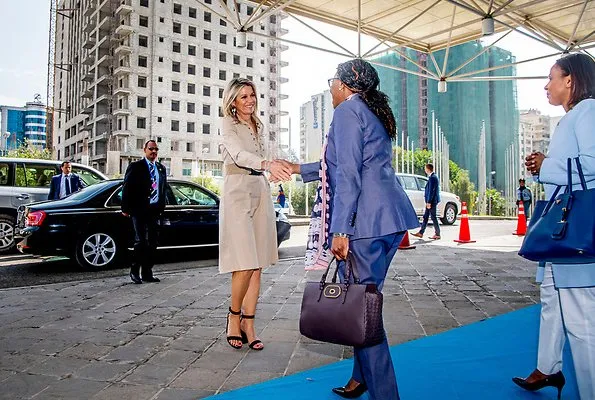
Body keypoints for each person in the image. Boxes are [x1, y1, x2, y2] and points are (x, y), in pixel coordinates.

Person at [272, 59, 418, 400]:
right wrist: (296, 169)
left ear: (345, 85)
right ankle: (360, 378)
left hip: (365, 225)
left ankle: (386, 394)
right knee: (363, 301)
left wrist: (340, 231)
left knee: (365, 312)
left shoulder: (347, 112)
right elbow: (339, 164)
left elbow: (349, 174)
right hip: (389, 220)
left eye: (332, 80)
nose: (329, 87)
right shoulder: (368, 111)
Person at [512, 53, 595, 400]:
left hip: (574, 231)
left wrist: (548, 165)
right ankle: (548, 369)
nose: (547, 85)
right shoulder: (575, 116)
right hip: (560, 230)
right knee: (551, 298)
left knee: (580, 318)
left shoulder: (588, 111)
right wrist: (544, 167)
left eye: (552, 77)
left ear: (570, 80)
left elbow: (592, 163)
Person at [219, 78, 290, 351]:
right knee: (244, 262)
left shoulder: (257, 124)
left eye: (252, 95)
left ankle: (249, 323)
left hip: (260, 187)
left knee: (258, 263)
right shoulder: (228, 123)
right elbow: (237, 154)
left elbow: (263, 158)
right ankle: (233, 317)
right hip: (237, 189)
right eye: (243, 96)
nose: (249, 100)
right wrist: (265, 163)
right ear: (233, 101)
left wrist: (273, 170)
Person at [121, 140, 167, 284]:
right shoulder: (136, 167)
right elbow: (126, 187)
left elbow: (163, 188)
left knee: (152, 242)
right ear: (145, 150)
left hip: (154, 210)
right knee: (140, 241)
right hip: (139, 209)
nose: (153, 152)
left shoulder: (161, 168)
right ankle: (135, 271)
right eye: (151, 149)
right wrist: (125, 208)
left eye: (156, 149)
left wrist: (162, 205)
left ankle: (147, 272)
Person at [412, 163, 441, 240]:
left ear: (428, 169)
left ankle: (437, 234)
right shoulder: (433, 177)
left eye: (425, 168)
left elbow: (431, 190)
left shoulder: (432, 178)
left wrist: (429, 202)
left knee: (433, 217)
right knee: (425, 217)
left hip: (431, 201)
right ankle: (421, 232)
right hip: (431, 201)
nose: (425, 170)